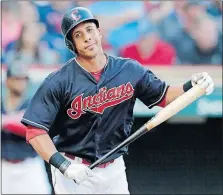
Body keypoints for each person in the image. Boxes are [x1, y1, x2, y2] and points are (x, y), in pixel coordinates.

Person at [20, 7, 214, 194]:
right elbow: (35, 130)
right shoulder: (58, 81)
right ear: (72, 45)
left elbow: (164, 97)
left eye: (89, 30)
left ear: (99, 32)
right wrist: (64, 166)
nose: (87, 37)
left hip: (113, 169)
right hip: (74, 169)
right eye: (78, 35)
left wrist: (191, 85)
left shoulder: (129, 69)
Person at [1, 61, 51, 194]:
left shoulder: (33, 104)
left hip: (29, 167)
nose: (21, 83)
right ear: (8, 81)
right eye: (17, 79)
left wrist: (5, 121)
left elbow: (31, 127)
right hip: (4, 168)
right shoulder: (1, 105)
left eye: (23, 79)